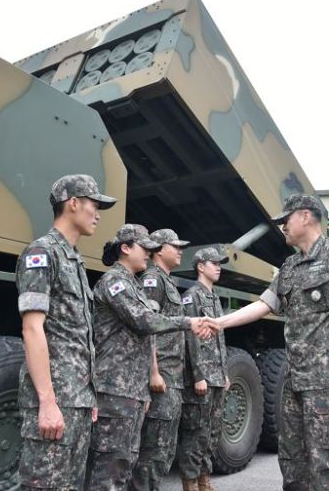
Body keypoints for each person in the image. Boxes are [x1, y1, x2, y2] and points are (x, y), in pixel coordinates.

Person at [217, 194, 329, 491]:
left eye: (285, 220)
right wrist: (220, 322)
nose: (281, 227)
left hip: (327, 382)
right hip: (294, 382)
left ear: (305, 216)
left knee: (328, 463)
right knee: (292, 461)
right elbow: (264, 305)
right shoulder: (290, 266)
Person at [85, 224, 217, 490]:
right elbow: (144, 320)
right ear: (125, 248)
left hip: (131, 387)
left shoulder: (132, 284)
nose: (148, 253)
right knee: (111, 465)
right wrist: (186, 322)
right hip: (115, 386)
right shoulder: (115, 281)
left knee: (127, 460)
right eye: (144, 248)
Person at [16, 174, 116, 490]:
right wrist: (46, 402)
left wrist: (89, 397)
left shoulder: (74, 261)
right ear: (73, 204)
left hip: (77, 402)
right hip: (55, 402)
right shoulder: (42, 253)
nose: (98, 214)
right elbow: (32, 329)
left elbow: (80, 338)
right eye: (94, 205)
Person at [130, 229, 191, 490]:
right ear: (157, 249)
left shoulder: (167, 281)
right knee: (154, 449)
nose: (180, 250)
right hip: (162, 375)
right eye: (174, 246)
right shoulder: (152, 280)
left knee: (165, 448)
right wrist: (153, 371)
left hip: (173, 376)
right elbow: (148, 327)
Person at [177, 247, 231, 491]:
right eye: (214, 263)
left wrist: (225, 373)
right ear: (200, 266)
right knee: (196, 434)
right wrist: (198, 376)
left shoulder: (214, 297)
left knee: (212, 434)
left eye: (220, 263)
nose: (219, 267)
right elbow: (190, 339)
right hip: (202, 379)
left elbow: (219, 339)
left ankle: (204, 482)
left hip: (217, 377)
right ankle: (190, 483)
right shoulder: (192, 296)